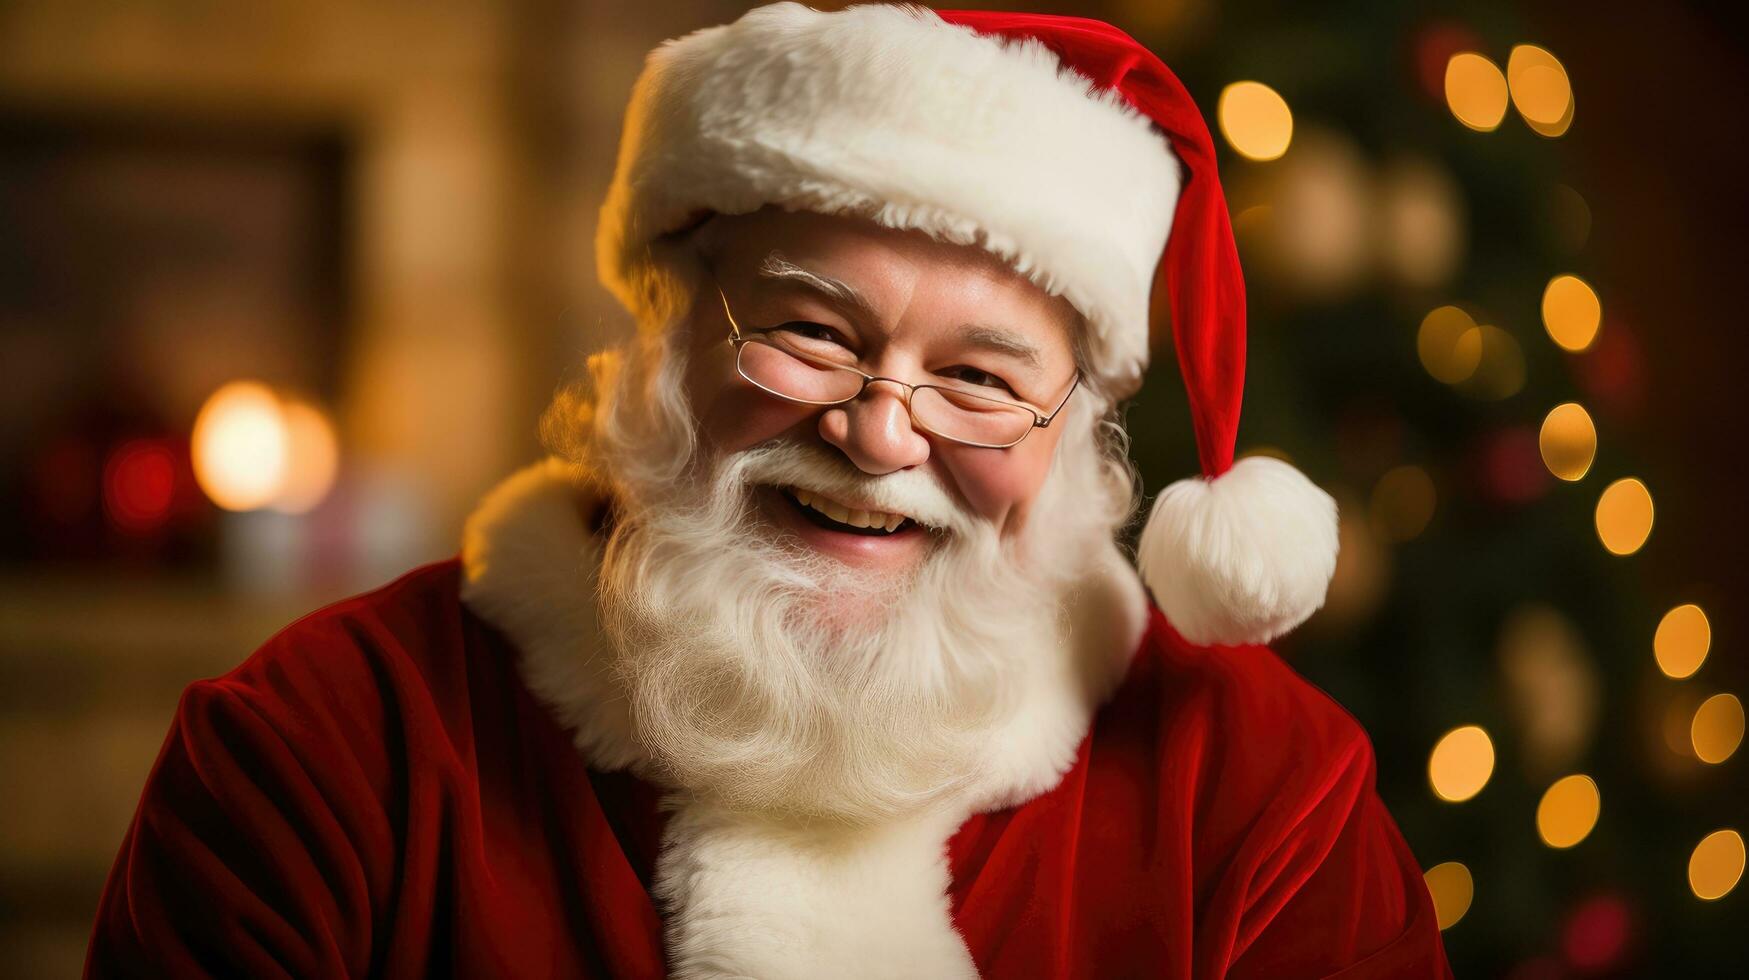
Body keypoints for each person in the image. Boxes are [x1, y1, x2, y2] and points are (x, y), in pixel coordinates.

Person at [85, 4, 1452, 977]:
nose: (876, 434)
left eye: (978, 378)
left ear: (1079, 427)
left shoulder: (1268, 792)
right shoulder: (319, 745)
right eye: (810, 330)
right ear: (664, 330)